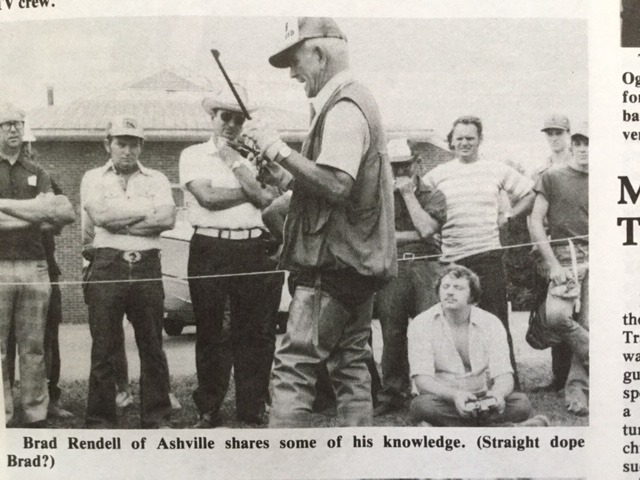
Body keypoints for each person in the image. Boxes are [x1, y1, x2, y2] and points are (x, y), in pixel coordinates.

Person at [244, 17, 397, 427]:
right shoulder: (352, 101)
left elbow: (336, 184)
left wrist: (276, 148)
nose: (292, 74)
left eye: (295, 61)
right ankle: (357, 455)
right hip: (357, 264)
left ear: (319, 54)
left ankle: (283, 458)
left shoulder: (343, 108)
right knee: (350, 365)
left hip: (331, 266)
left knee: (294, 366)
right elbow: (337, 186)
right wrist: (284, 176)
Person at [179, 86, 282, 428]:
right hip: (211, 247)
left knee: (256, 333)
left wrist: (243, 170)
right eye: (225, 116)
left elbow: (274, 196)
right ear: (213, 117)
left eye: (239, 119)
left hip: (254, 247)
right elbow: (207, 197)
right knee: (212, 331)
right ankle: (209, 407)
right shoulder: (194, 154)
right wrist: (251, 190)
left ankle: (252, 406)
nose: (231, 125)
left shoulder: (256, 157)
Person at [423, 116, 535, 381]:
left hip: (487, 256)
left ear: (480, 140)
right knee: (454, 325)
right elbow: (418, 204)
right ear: (451, 142)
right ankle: (461, 382)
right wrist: (431, 233)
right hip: (452, 261)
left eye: (470, 138)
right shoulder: (437, 175)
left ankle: (508, 383)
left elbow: (530, 193)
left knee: (495, 322)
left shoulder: (495, 168)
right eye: (459, 138)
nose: (465, 143)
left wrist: (508, 216)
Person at [81, 115, 176, 428]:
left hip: (147, 264)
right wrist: (145, 213)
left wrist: (120, 221)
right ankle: (100, 419)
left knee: (152, 344)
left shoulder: (157, 179)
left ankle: (156, 416)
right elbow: (100, 218)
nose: (128, 150)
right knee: (104, 346)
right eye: (121, 143)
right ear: (107, 145)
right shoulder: (93, 178)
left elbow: (167, 219)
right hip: (107, 264)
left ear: (141, 147)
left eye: (134, 144)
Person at [0, 102, 75, 427]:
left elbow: (55, 213)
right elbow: (41, 215)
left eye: (17, 123)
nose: (13, 129)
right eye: (6, 124)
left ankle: (35, 412)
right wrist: (32, 215)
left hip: (35, 265)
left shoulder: (38, 172)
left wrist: (4, 208)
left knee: (33, 346)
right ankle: (3, 412)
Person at [408, 265, 548, 427]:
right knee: (422, 406)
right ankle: (505, 428)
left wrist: (497, 395)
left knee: (521, 403)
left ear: (472, 296)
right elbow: (422, 379)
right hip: (443, 398)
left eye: (458, 288)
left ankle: (447, 427)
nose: (450, 292)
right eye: (445, 287)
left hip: (482, 399)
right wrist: (455, 396)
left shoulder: (490, 322)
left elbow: (504, 374)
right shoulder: (422, 323)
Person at [373, 138, 446, 416]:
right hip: (393, 268)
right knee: (392, 332)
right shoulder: (379, 197)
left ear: (417, 163)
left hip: (427, 267)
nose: (400, 171)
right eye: (394, 167)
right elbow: (378, 236)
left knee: (430, 330)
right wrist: (413, 235)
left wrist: (407, 195)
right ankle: (394, 394)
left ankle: (436, 391)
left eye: (405, 165)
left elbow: (427, 229)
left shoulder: (433, 194)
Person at [528, 122, 589, 416]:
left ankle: (577, 391)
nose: (584, 149)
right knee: (555, 316)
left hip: (601, 255)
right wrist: (552, 263)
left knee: (588, 323)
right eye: (578, 143)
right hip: (565, 256)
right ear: (572, 145)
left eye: (589, 143)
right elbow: (535, 220)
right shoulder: (551, 177)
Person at [530, 114, 574, 393]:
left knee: (579, 315)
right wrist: (539, 249)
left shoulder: (580, 164)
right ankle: (559, 377)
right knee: (553, 313)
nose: (554, 138)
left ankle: (580, 378)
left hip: (576, 247)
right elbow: (534, 214)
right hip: (549, 249)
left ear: (568, 134)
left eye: (559, 132)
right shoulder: (542, 170)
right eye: (550, 133)